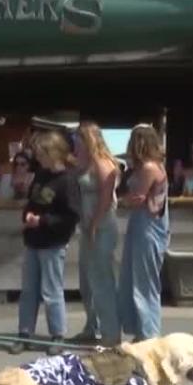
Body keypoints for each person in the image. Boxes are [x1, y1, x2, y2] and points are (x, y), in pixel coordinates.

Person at [10, 130, 81, 355]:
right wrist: (28, 216)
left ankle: (57, 334)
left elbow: (71, 215)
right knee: (28, 290)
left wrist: (43, 220)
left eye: (41, 153)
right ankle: (24, 333)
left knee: (52, 290)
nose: (37, 158)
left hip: (53, 242)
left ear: (53, 153)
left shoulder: (67, 180)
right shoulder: (41, 174)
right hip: (33, 240)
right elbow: (32, 201)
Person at [117, 124, 170, 342]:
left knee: (144, 284)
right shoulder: (150, 165)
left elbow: (137, 198)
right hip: (141, 225)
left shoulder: (149, 168)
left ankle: (149, 334)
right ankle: (141, 331)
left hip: (148, 227)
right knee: (133, 279)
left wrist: (117, 201)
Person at [72, 121, 121, 346]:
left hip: (101, 226)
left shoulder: (103, 163)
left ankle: (111, 334)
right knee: (87, 280)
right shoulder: (85, 162)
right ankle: (92, 326)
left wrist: (94, 223)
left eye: (79, 139)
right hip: (87, 226)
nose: (76, 143)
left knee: (102, 281)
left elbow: (106, 196)